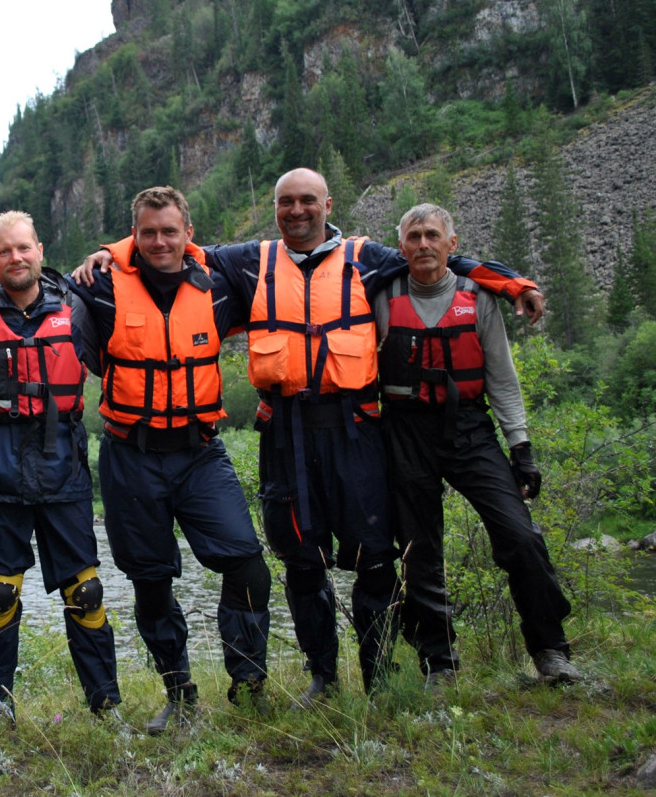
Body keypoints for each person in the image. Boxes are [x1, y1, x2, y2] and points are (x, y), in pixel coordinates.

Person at [77, 169, 542, 707]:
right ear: (275, 208)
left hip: (355, 430)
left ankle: (380, 676)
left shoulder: (368, 258)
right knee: (300, 558)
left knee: (374, 556)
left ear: (327, 203)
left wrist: (511, 284)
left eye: (307, 201)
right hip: (284, 431)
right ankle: (321, 677)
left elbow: (435, 262)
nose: (296, 211)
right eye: (285, 203)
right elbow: (160, 242)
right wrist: (107, 251)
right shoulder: (247, 261)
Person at [67, 186, 273, 732]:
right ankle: (179, 694)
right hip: (129, 456)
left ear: (188, 233)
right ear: (135, 234)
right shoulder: (103, 284)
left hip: (199, 453)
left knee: (248, 563)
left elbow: (296, 262)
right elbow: (40, 287)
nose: (160, 241)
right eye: (148, 232)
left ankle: (249, 682)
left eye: (170, 231)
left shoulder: (222, 283)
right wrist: (105, 251)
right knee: (152, 581)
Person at [376, 203, 580, 688]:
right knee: (418, 551)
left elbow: (503, 381)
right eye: (413, 237)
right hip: (404, 431)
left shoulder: (479, 297)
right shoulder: (381, 295)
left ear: (453, 243)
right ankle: (439, 664)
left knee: (521, 536)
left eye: (431, 235)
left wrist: (521, 448)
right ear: (400, 246)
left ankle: (550, 649)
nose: (422, 245)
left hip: (468, 428)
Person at [0, 210, 121, 725]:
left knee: (85, 591)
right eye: (4, 251)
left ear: (39, 249)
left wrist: (108, 249)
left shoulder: (77, 306)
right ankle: (1, 704)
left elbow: (150, 261)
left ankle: (106, 705)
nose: (15, 258)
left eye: (23, 248)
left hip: (65, 472)